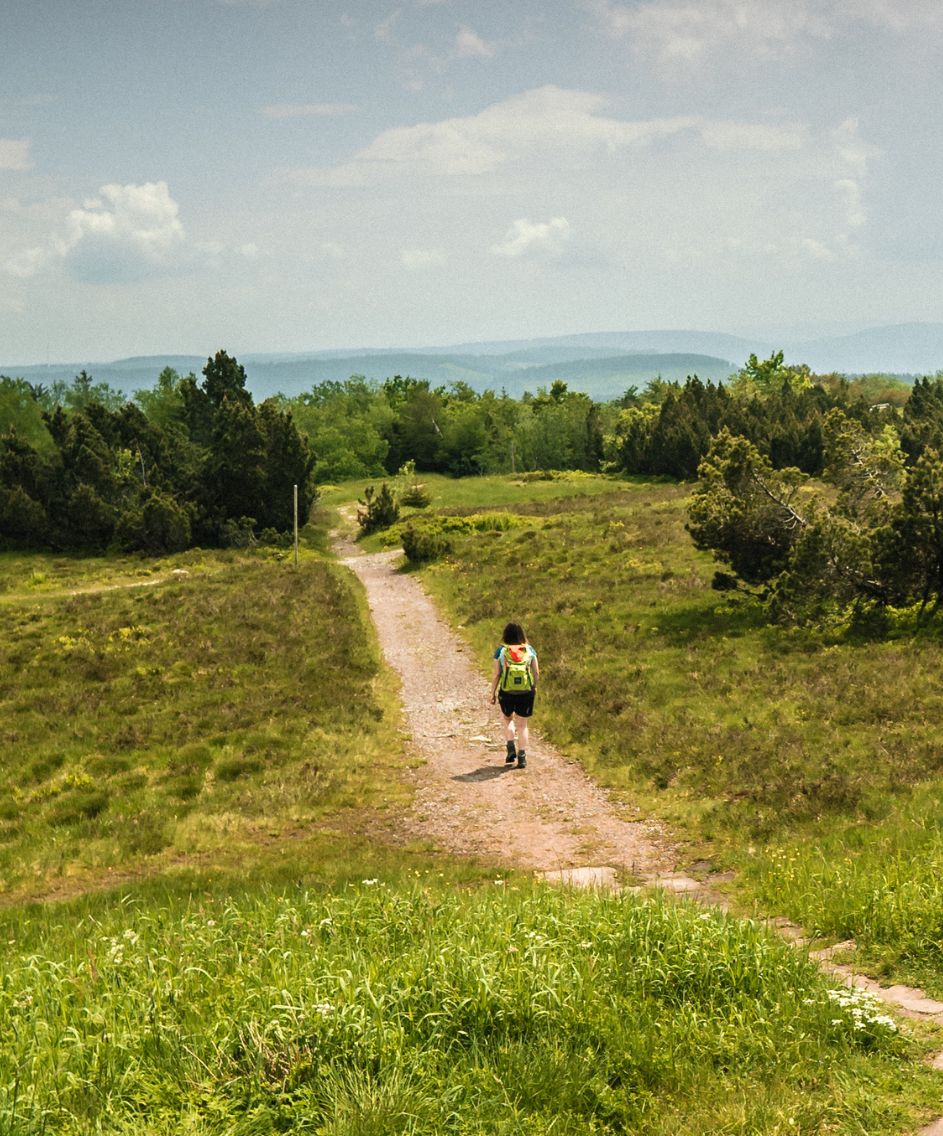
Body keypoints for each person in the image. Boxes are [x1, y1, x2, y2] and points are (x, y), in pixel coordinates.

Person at [490, 622, 539, 769]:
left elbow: (496, 674)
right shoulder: (529, 650)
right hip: (526, 691)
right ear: (522, 634)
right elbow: (536, 672)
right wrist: (534, 687)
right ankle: (522, 757)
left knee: (507, 718)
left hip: (507, 691)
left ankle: (510, 745)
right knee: (523, 725)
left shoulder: (501, 651)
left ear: (505, 635)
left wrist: (492, 693)